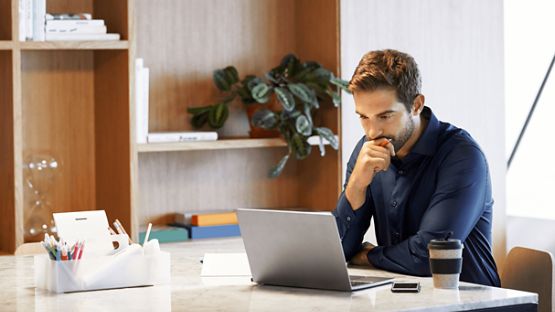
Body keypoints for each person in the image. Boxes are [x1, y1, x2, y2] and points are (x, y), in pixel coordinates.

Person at [333, 49, 500, 287]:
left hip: (471, 302)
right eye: (364, 117)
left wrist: (369, 256)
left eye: (385, 116)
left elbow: (429, 256)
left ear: (416, 105)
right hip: (405, 299)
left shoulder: (462, 157)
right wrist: (356, 185)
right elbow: (339, 250)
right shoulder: (367, 152)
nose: (372, 132)